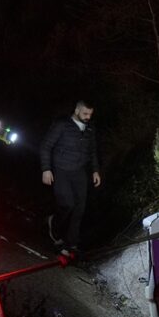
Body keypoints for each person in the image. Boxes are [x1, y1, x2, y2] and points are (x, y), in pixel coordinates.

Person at [40, 100, 102, 255]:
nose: (88, 117)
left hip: (79, 171)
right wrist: (46, 169)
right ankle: (53, 225)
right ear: (76, 110)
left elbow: (92, 151)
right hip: (61, 170)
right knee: (67, 204)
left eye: (90, 114)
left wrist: (95, 170)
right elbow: (46, 146)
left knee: (80, 208)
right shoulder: (62, 125)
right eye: (85, 113)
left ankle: (71, 243)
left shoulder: (90, 129)